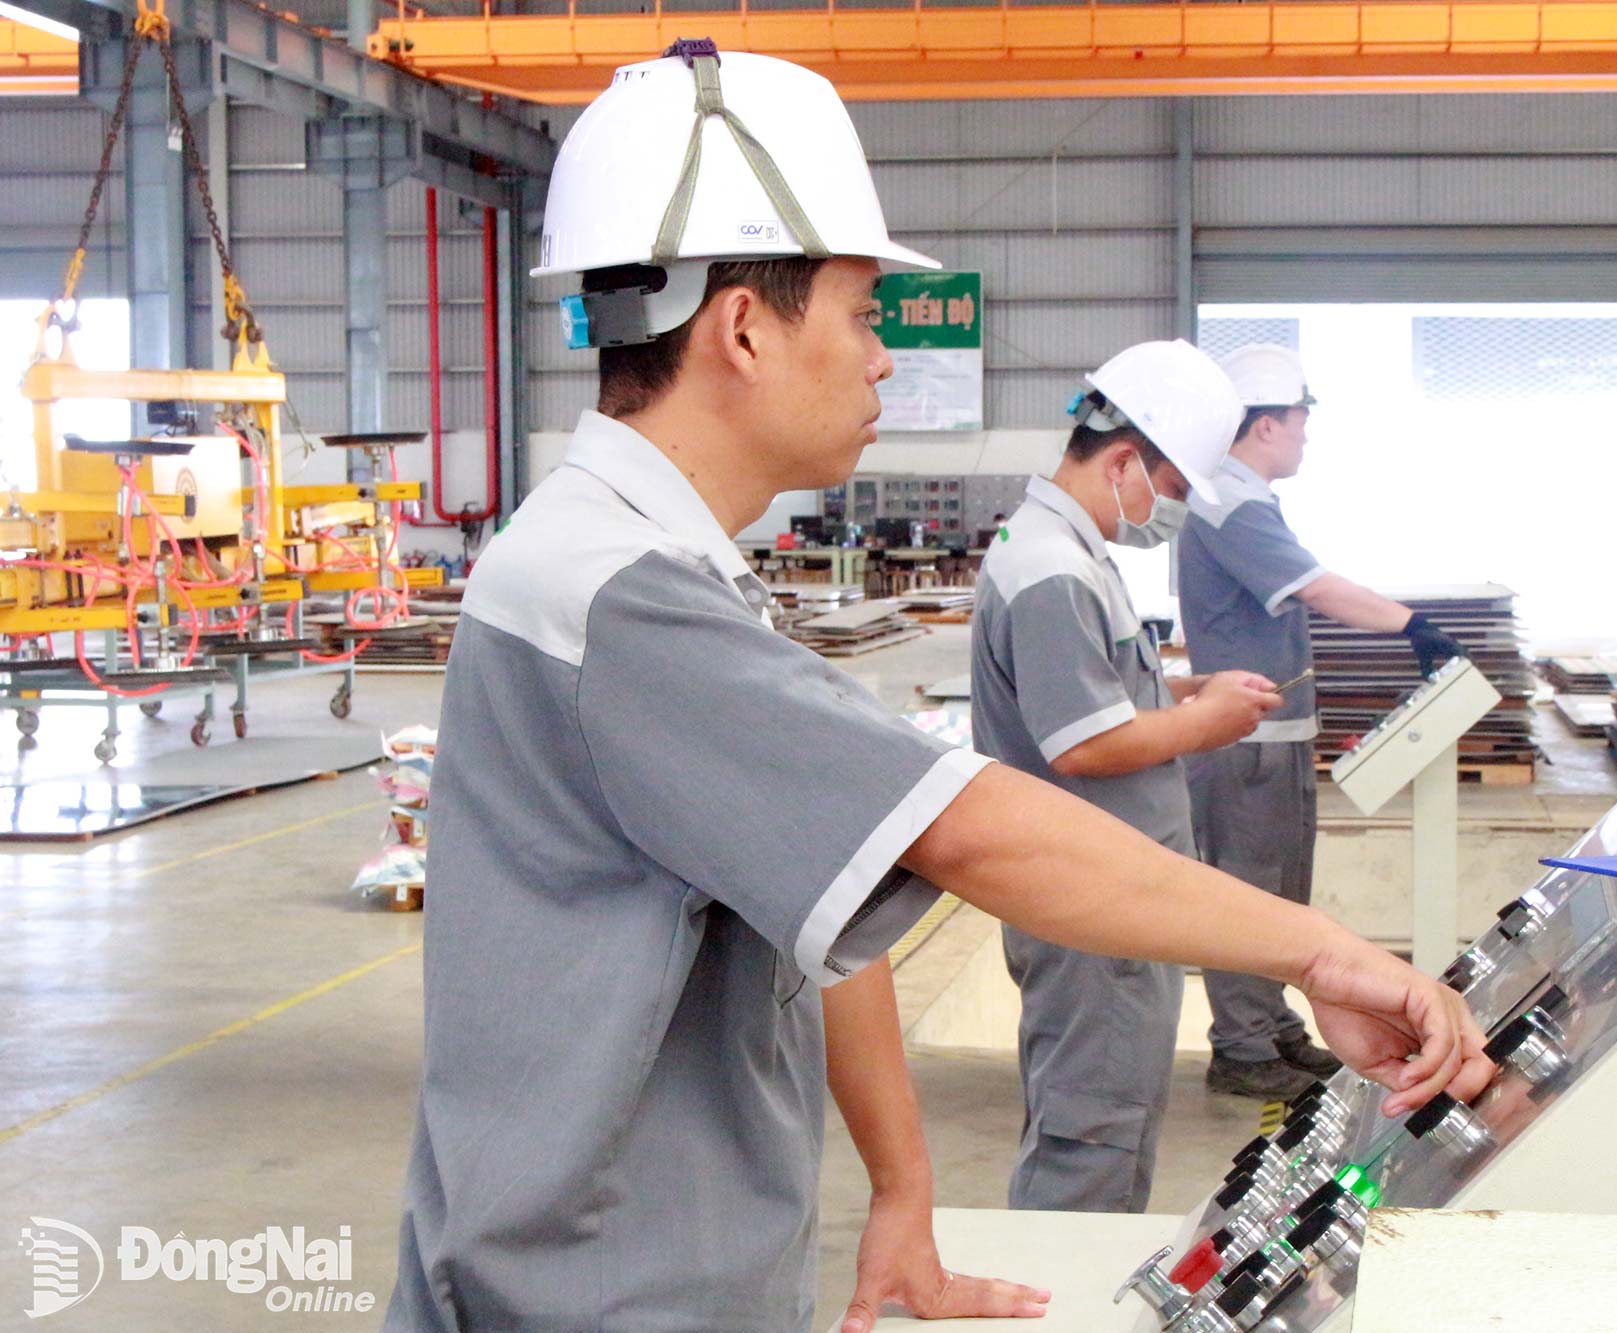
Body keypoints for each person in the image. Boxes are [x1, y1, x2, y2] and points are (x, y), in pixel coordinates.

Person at [386, 47, 1492, 1333]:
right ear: (743, 325)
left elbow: (818, 883)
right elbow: (970, 828)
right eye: (862, 315)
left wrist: (903, 1191)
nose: (878, 358)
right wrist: (1327, 954)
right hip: (586, 1293)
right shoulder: (618, 593)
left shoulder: (652, 566)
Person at [970, 339, 1285, 1213]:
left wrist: (1184, 688)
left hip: (1114, 890)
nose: (1172, 510)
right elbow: (1083, 745)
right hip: (1088, 903)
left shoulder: (1074, 553)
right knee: (1091, 1135)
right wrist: (1204, 721)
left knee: (1114, 1123)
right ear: (1122, 461)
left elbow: (1099, 692)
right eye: (1175, 489)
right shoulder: (1051, 571)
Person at [1178, 343, 1467, 1101]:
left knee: (1279, 897)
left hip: (1274, 738)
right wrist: (1414, 626)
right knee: (1246, 896)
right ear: (1266, 425)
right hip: (1245, 744)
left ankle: (1271, 1028)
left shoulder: (1245, 498)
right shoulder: (1228, 504)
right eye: (1300, 421)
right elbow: (1319, 588)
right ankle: (1241, 1045)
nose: (1306, 436)